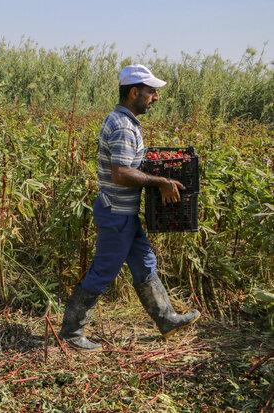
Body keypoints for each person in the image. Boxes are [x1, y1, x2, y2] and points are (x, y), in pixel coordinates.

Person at [58, 64, 200, 351]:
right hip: (116, 214)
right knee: (103, 272)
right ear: (134, 92)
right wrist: (160, 181)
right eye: (150, 91)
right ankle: (71, 332)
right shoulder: (123, 126)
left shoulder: (126, 121)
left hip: (125, 213)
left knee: (145, 263)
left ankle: (167, 318)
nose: (155, 97)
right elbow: (121, 173)